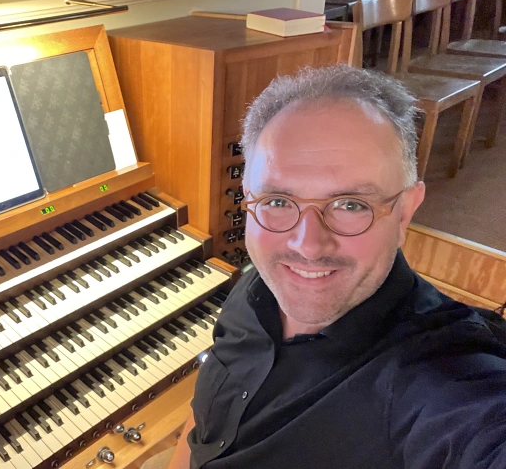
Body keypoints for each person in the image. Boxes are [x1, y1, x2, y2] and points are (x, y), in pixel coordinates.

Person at [167, 64, 506, 469]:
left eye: (350, 205)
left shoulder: (436, 373)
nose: (307, 246)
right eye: (278, 201)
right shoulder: (254, 287)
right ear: (248, 198)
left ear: (405, 212)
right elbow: (206, 417)